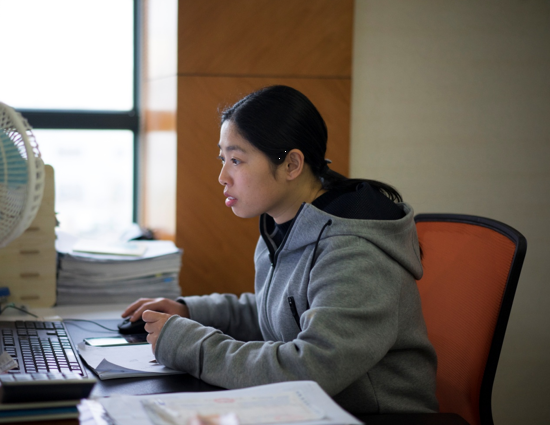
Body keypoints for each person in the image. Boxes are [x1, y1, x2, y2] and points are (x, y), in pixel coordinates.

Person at [122, 85, 438, 415]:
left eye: (236, 160)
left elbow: (310, 370)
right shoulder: (283, 225)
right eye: (223, 159)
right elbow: (279, 313)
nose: (222, 177)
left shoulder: (355, 253)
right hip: (312, 411)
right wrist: (191, 312)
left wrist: (192, 347)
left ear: (291, 164)